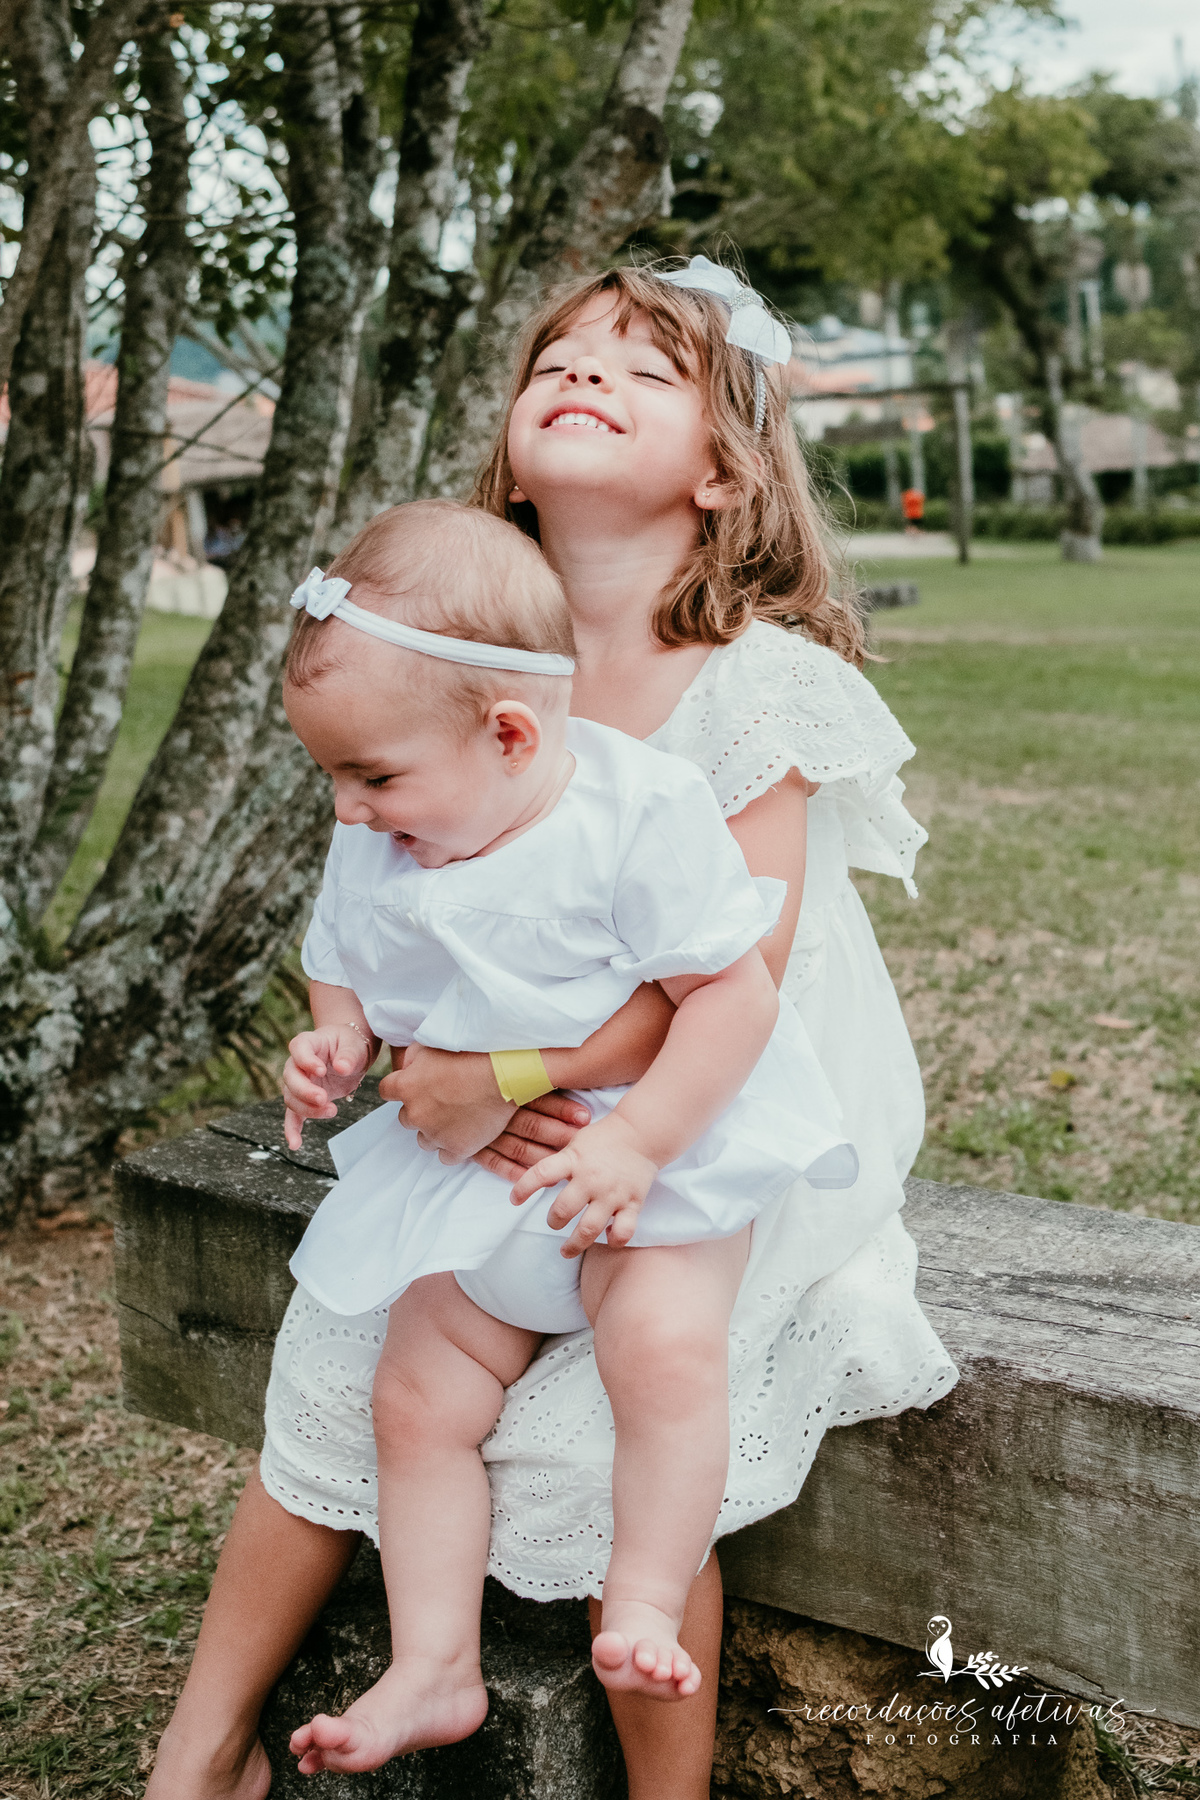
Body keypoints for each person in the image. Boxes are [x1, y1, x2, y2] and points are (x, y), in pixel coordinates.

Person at [147, 256, 957, 1800]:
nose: (585, 379)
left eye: (644, 374)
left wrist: (495, 1081)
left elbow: (734, 980)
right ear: (512, 448)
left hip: (716, 1107)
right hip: (504, 1113)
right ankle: (202, 1749)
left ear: (723, 474)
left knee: (619, 1419)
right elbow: (389, 910)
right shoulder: (440, 662)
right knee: (351, 1363)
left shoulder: (758, 689)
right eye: (558, 363)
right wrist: (387, 1051)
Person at [275, 499, 856, 1772]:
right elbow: (343, 963)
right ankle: (435, 1665)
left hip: (655, 1159)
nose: (350, 809)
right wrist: (335, 1041)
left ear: (511, 734)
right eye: (333, 777)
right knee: (415, 1393)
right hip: (484, 1168)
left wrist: (636, 1142)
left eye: (372, 777)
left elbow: (731, 996)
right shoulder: (385, 830)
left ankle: (641, 1595)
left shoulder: (635, 814)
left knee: (663, 1351)